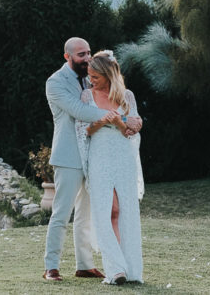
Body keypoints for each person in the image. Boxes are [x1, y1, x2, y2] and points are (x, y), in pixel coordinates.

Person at [42, 37, 117, 282]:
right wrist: (114, 116)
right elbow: (79, 111)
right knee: (61, 213)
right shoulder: (55, 82)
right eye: (81, 55)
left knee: (87, 214)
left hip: (92, 154)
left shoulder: (90, 76)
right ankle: (51, 267)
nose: (86, 58)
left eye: (88, 53)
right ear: (68, 57)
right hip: (68, 156)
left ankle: (84, 265)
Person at [77, 50, 144, 284]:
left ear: (108, 74)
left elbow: (133, 128)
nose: (90, 80)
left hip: (123, 156)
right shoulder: (87, 96)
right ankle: (115, 269)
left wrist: (120, 121)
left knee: (124, 211)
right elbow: (84, 129)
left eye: (95, 76)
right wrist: (100, 122)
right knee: (106, 210)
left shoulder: (127, 96)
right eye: (89, 75)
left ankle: (130, 268)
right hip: (100, 156)